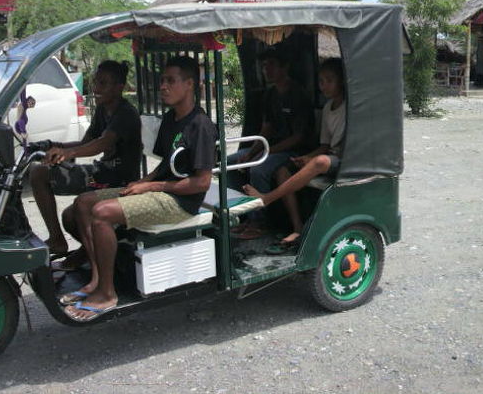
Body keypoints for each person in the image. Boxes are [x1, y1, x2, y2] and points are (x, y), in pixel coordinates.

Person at [63, 56, 217, 321]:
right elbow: (165, 164)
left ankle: (107, 293)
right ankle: (97, 280)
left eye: (171, 81)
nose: (164, 87)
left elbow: (201, 182)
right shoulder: (171, 119)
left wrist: (152, 185)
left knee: (101, 213)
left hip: (181, 202)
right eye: (162, 81)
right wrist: (145, 182)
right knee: (83, 203)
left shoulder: (200, 125)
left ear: (190, 84)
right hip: (162, 190)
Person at [29, 60, 142, 258]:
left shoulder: (126, 113)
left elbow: (102, 144)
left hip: (118, 181)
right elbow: (86, 142)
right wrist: (52, 145)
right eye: (96, 83)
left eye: (103, 84)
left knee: (73, 210)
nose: (96, 88)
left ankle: (88, 254)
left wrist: (69, 154)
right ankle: (62, 242)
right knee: (39, 172)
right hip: (103, 174)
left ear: (119, 87)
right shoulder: (102, 109)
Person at [244, 58, 345, 254]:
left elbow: (330, 151)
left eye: (329, 80)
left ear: (342, 82)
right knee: (282, 171)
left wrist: (314, 159)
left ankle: (266, 199)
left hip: (347, 160)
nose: (324, 86)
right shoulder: (327, 108)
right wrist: (307, 158)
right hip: (328, 156)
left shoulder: (350, 107)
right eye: (321, 81)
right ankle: (297, 227)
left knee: (320, 161)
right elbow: (325, 145)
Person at [228, 47, 314, 239]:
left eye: (272, 65)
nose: (267, 70)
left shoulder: (298, 94)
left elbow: (298, 137)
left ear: (286, 67)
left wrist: (264, 154)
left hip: (294, 151)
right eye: (265, 66)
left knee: (258, 168)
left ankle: (260, 223)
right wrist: (250, 154)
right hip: (272, 148)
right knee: (232, 163)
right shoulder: (270, 94)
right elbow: (266, 129)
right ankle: (243, 216)